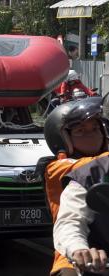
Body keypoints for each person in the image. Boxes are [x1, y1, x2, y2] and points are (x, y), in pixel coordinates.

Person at [43, 97, 109, 276]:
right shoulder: (59, 168)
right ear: (63, 138)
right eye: (81, 131)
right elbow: (70, 222)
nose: (92, 135)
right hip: (75, 253)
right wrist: (78, 250)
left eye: (95, 129)